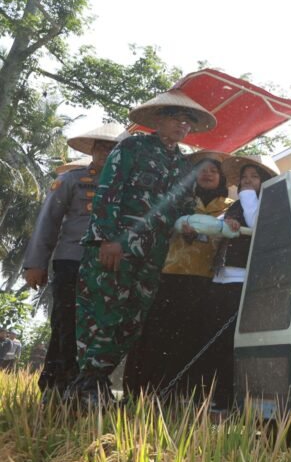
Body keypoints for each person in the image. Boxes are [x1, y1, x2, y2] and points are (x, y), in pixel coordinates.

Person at [67, 89, 216, 404]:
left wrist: (192, 226)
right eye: (177, 118)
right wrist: (107, 239)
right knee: (102, 312)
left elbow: (182, 210)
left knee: (131, 321)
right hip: (116, 247)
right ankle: (86, 385)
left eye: (188, 122)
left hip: (152, 255)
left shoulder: (182, 165)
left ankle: (98, 381)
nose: (183, 125)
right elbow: (109, 191)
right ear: (159, 119)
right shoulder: (133, 147)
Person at [23, 122, 126, 394]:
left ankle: (88, 388)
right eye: (101, 146)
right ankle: (55, 386)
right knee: (66, 323)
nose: (107, 151)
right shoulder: (71, 180)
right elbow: (48, 222)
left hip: (109, 267)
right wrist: (36, 263)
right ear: (92, 149)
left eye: (113, 147)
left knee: (102, 329)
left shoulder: (128, 188)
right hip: (71, 261)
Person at [122, 151, 234, 400]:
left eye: (213, 171)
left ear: (222, 179)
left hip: (206, 282)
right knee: (158, 338)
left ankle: (182, 399)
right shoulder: (178, 202)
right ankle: (141, 394)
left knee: (192, 340)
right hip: (169, 276)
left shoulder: (230, 208)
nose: (207, 174)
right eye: (202, 170)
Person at [200, 154, 280, 410]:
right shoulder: (235, 205)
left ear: (265, 181)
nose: (247, 182)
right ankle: (215, 396)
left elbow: (257, 223)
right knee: (213, 339)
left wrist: (247, 197)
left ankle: (226, 399)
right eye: (243, 178)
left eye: (253, 177)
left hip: (243, 279)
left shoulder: (269, 203)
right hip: (221, 277)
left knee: (228, 343)